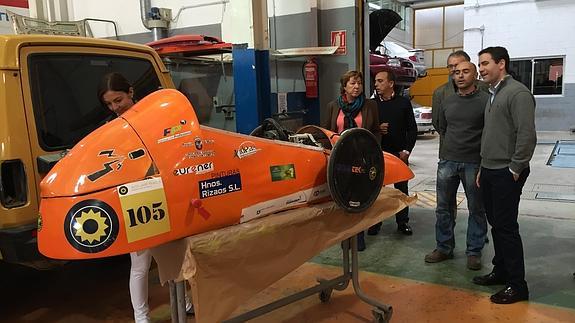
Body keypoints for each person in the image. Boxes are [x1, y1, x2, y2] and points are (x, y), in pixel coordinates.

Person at [98, 73, 193, 322]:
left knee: (176, 253)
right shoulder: (111, 128)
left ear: (130, 92)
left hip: (168, 191)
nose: (115, 107)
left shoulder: (154, 116)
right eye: (109, 104)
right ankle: (142, 318)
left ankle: (185, 301)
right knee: (140, 264)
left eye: (118, 100)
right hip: (136, 198)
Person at [472, 46, 536, 304]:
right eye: (480, 65)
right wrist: (482, 167)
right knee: (496, 225)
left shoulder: (517, 93)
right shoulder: (492, 94)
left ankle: (517, 285)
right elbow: (491, 135)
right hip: (489, 169)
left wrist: (515, 168)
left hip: (506, 171)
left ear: (502, 64)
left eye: (485, 63)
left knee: (506, 227)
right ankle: (501, 271)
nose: (481, 69)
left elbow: (526, 135)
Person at [424, 61, 489, 270]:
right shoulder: (447, 101)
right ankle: (444, 247)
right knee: (443, 208)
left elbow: (489, 132)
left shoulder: (486, 101)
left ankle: (474, 251)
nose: (460, 76)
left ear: (475, 74)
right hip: (447, 161)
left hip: (474, 163)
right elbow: (441, 127)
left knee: (476, 209)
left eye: (465, 72)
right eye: (456, 72)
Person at [323, 70, 380, 251]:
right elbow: (326, 131)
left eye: (359, 83)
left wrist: (373, 151)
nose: (357, 87)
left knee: (360, 196)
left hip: (362, 158)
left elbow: (376, 130)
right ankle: (345, 235)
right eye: (352, 83)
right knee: (342, 195)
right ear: (344, 87)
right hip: (339, 158)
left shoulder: (370, 106)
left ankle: (358, 235)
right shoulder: (333, 106)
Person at [367, 70, 417, 236]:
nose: (376, 84)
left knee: (401, 189)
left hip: (399, 154)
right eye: (375, 81)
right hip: (378, 154)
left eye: (380, 81)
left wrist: (406, 151)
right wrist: (377, 129)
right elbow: (366, 128)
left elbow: (412, 129)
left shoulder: (403, 103)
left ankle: (402, 222)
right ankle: (375, 222)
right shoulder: (371, 105)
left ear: (390, 83)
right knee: (377, 189)